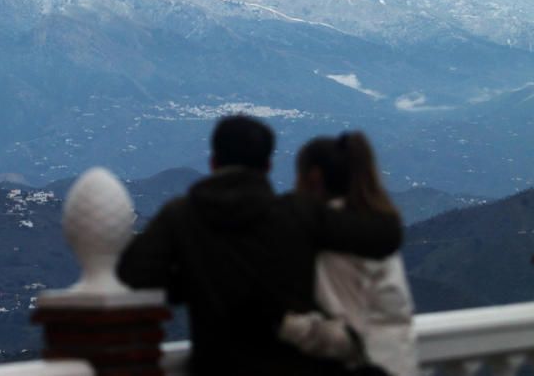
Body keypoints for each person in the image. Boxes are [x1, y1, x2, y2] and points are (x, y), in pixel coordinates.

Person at [117, 115, 403, 376]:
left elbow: (132, 274)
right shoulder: (296, 213)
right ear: (267, 166)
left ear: (213, 162)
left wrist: (194, 279)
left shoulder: (181, 216)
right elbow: (386, 236)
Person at [280, 132, 417, 376]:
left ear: (313, 177)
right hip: (396, 363)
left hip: (360, 365)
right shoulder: (374, 230)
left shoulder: (330, 240)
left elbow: (341, 329)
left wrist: (281, 323)